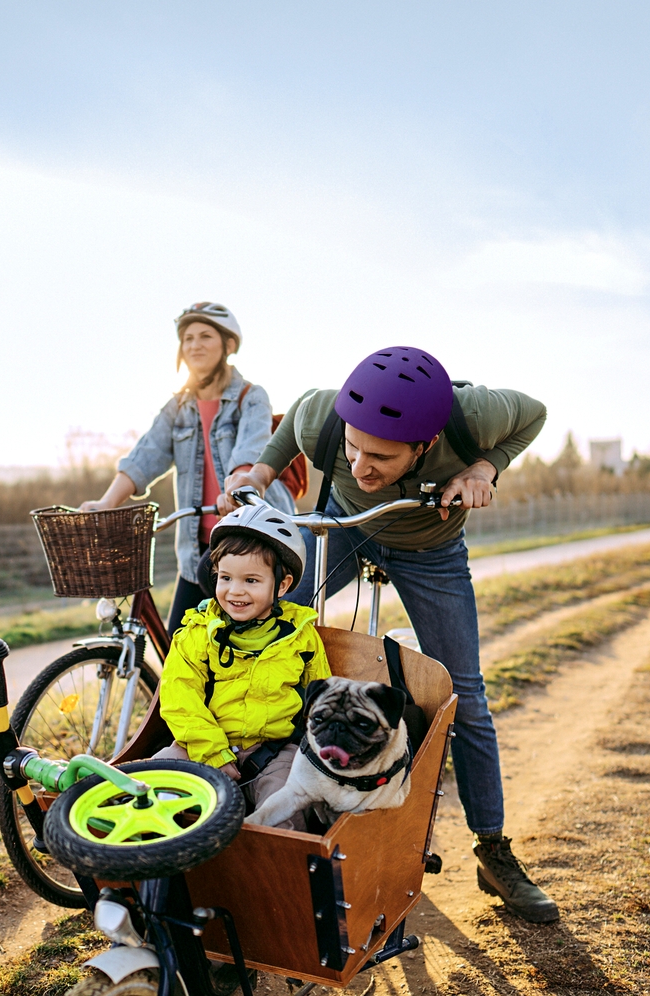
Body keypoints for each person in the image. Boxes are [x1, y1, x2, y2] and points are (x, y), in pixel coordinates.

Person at [219, 345, 560, 923]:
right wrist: (260, 471)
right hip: (347, 528)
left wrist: (484, 468)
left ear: (426, 444)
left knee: (465, 695)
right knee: (270, 631)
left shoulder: (476, 416)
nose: (359, 466)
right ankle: (253, 778)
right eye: (352, 448)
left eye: (380, 456)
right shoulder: (322, 415)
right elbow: (298, 416)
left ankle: (493, 850)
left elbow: (536, 413)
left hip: (432, 548)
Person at [81, 302, 299, 633]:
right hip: (198, 548)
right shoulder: (177, 407)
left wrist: (239, 490)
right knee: (178, 645)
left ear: (228, 345)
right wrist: (107, 502)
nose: (195, 345)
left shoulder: (251, 397)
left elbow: (250, 451)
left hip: (251, 542)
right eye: (188, 338)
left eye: (205, 336)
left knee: (246, 645)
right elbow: (146, 454)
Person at [152, 503, 329, 828]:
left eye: (251, 580)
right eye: (225, 578)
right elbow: (180, 698)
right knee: (151, 782)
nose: (235, 591)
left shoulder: (301, 636)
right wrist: (213, 753)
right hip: (202, 745)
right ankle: (152, 858)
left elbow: (322, 698)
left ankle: (277, 860)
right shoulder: (197, 632)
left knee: (285, 807)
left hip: (276, 752)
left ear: (282, 585)